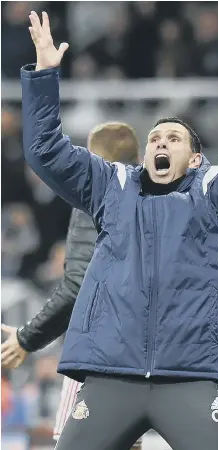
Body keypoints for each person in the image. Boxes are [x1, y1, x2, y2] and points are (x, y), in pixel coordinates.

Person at [20, 10, 218, 450]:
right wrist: (44, 74)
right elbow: (45, 149)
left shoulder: (216, 193)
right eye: (155, 139)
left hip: (190, 376)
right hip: (110, 373)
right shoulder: (111, 187)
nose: (161, 143)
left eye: (174, 139)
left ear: (196, 159)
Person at [1, 122, 142, 449]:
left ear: (91, 159)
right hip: (145, 350)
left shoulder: (95, 198)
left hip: (97, 352)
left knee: (73, 442)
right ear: (137, 155)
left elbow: (77, 286)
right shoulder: (161, 201)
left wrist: (26, 339)